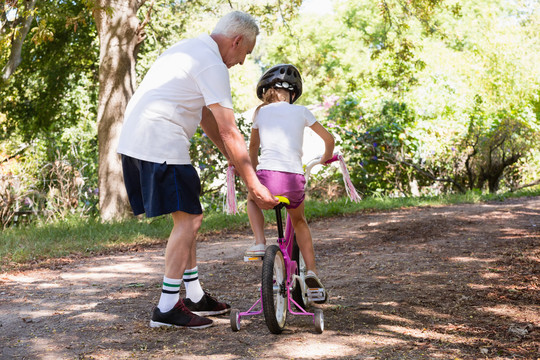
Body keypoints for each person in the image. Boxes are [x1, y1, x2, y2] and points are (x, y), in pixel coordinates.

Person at [117, 11, 278, 329]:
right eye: (245, 52)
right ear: (236, 41)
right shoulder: (213, 64)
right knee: (190, 220)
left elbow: (206, 117)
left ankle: (192, 295)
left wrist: (233, 159)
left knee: (186, 216)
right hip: (159, 143)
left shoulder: (189, 49)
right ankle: (166, 309)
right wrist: (254, 184)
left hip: (138, 141)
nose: (243, 62)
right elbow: (230, 130)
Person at [245, 64, 335, 301]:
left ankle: (259, 243)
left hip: (268, 179)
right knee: (300, 221)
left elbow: (253, 147)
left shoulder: (260, 113)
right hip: (294, 180)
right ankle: (312, 272)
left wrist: (254, 174)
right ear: (293, 94)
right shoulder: (302, 111)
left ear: (266, 91)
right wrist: (326, 157)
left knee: (253, 200)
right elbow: (329, 139)